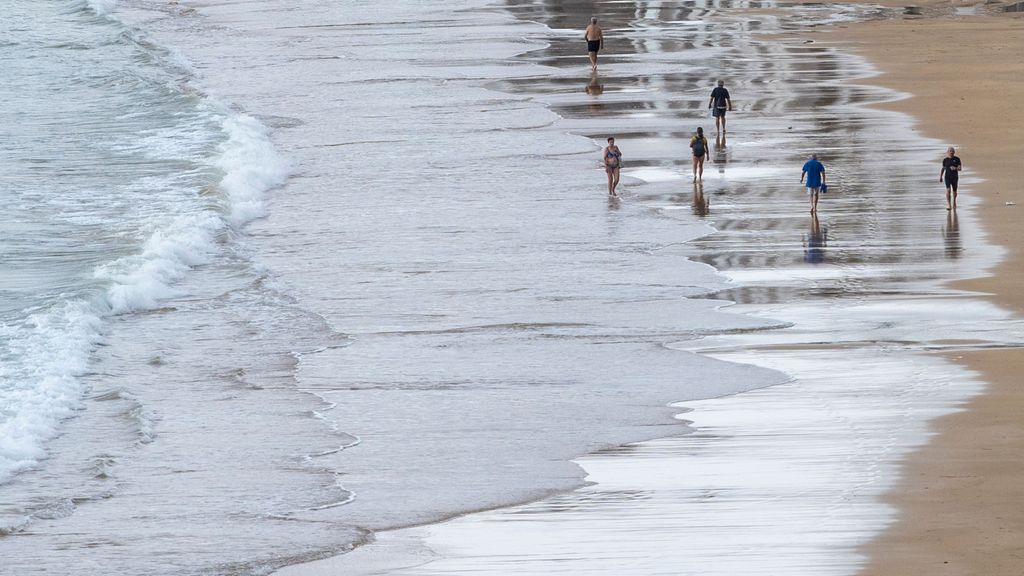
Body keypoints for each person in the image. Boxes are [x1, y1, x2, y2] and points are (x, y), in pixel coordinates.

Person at [939, 146, 962, 210]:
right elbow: (943, 168)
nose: (951, 152)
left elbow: (960, 168)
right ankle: (948, 204)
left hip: (955, 177)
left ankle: (954, 201)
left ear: (954, 152)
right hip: (947, 177)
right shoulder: (945, 160)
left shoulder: (957, 159)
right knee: (948, 190)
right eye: (950, 151)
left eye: (952, 151)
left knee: (954, 192)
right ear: (947, 152)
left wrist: (955, 168)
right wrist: (940, 176)